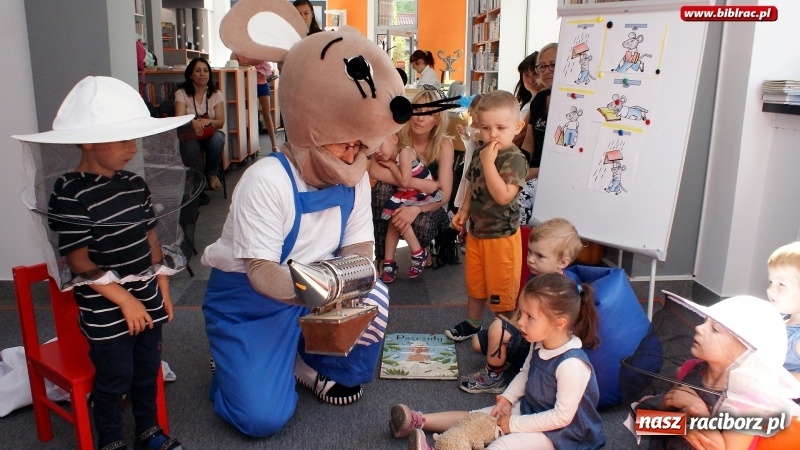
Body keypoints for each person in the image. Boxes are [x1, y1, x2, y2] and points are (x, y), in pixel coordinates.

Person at [203, 0, 427, 437]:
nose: (354, 155)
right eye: (343, 144)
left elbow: (361, 247)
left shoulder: (356, 172)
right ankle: (234, 358)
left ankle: (305, 359)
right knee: (261, 419)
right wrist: (323, 291)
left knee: (376, 297)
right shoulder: (267, 180)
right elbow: (263, 273)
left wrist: (351, 283)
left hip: (319, 290)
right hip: (253, 301)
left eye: (360, 144)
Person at [14, 76, 191, 450]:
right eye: (123, 139)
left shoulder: (134, 184)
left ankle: (148, 430)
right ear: (90, 140)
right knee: (115, 376)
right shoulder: (69, 191)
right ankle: (110, 439)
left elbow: (151, 239)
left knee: (146, 370)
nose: (132, 147)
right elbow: (78, 261)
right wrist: (125, 300)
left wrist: (162, 289)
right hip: (104, 307)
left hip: (146, 296)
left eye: (135, 138)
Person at [390, 273, 605, 450]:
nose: (520, 322)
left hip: (562, 436)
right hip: (532, 411)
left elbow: (561, 418)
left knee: (501, 446)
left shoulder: (572, 365)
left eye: (530, 317)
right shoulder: (539, 343)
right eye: (521, 313)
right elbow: (525, 372)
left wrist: (512, 424)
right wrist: (509, 399)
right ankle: (416, 421)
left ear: (559, 323)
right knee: (475, 418)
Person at [636, 295, 800, 449]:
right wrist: (667, 406)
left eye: (714, 329)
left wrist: (698, 411)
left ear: (744, 352)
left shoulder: (748, 404)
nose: (699, 328)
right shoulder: (688, 370)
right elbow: (652, 424)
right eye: (705, 321)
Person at [460, 218, 583, 393]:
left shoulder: (563, 290)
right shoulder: (536, 277)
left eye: (540, 256)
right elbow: (521, 312)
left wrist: (504, 330)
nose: (531, 260)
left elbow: (562, 331)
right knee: (477, 342)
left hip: (542, 346)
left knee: (497, 329)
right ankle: (508, 359)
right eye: (530, 252)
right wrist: (511, 325)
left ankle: (494, 378)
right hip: (529, 336)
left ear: (562, 262)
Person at [447, 90, 528, 341]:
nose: (492, 134)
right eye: (485, 128)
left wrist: (489, 162)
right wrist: (463, 211)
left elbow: (503, 195)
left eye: (501, 127)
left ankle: (506, 333)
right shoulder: (483, 152)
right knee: (476, 283)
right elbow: (473, 184)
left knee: (501, 290)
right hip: (477, 232)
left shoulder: (514, 159)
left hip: (501, 238)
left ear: (517, 127)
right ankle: (473, 323)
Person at [370, 89, 455, 268]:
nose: (419, 118)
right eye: (417, 110)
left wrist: (416, 209)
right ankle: (382, 257)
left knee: (423, 226)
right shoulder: (397, 135)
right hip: (401, 196)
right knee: (381, 189)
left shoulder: (444, 144)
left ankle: (424, 247)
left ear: (438, 119)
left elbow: (444, 194)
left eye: (428, 113)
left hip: (429, 202)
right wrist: (414, 182)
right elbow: (372, 168)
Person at [374, 132, 443, 283]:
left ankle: (418, 252)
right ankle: (388, 261)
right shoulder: (392, 155)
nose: (377, 151)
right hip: (408, 192)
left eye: (380, 145)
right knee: (394, 220)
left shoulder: (405, 152)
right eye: (374, 147)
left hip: (421, 192)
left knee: (397, 216)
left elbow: (404, 182)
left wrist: (392, 166)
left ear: (394, 138)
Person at [519, 43, 557, 226]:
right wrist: (519, 167)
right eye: (542, 66)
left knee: (518, 197)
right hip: (532, 169)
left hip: (555, 173)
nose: (547, 70)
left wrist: (533, 173)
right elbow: (528, 144)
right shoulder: (539, 100)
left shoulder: (576, 103)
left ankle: (522, 250)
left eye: (553, 65)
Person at [174, 57, 225, 192]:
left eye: (205, 71)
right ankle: (191, 178)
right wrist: (192, 122)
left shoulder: (216, 94)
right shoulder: (181, 93)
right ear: (190, 74)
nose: (202, 74)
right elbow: (179, 118)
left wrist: (208, 121)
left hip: (210, 133)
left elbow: (220, 122)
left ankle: (212, 174)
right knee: (190, 146)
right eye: (198, 71)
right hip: (190, 134)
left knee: (218, 139)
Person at [232, 53, 279, 152]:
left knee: (267, 115)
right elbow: (233, 66)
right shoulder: (236, 52)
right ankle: (251, 146)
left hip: (261, 84)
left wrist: (248, 63)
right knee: (248, 116)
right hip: (247, 84)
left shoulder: (255, 49)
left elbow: (263, 57)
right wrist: (242, 64)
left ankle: (274, 145)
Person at [767, 241, 800, 381]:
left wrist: (771, 379)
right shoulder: (782, 320)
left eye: (781, 284)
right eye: (771, 282)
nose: (771, 290)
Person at [453, 93, 484, 211]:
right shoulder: (471, 129)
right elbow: (469, 145)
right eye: (477, 112)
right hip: (469, 164)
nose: (480, 116)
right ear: (470, 111)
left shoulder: (484, 131)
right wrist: (464, 134)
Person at [513, 51, 539, 149]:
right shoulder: (529, 100)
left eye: (535, 74)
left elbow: (519, 135)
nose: (531, 80)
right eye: (526, 75)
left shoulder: (539, 101)